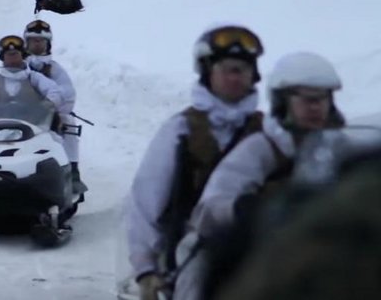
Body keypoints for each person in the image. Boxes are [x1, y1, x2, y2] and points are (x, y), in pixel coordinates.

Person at [174, 52, 346, 300]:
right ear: (282, 101)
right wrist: (248, 209)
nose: (316, 107)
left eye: (322, 99)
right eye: (307, 100)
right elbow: (212, 205)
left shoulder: (342, 150)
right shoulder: (263, 148)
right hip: (254, 255)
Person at [125, 24, 265, 300]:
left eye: (243, 69)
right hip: (192, 265)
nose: (236, 78)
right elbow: (145, 203)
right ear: (207, 72)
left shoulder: (267, 132)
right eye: (228, 69)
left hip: (260, 262)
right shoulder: (180, 131)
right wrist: (145, 270)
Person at [23, 20, 82, 193]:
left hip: (46, 115)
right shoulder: (18, 66)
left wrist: (51, 105)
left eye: (41, 40)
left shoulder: (54, 69)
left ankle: (72, 170)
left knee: (67, 122)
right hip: (19, 113)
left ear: (48, 43)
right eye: (33, 39)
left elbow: (68, 93)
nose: (37, 43)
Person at [0, 35, 67, 125]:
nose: (13, 58)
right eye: (9, 55)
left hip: (35, 130)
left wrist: (48, 103)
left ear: (22, 56)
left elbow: (55, 92)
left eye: (15, 54)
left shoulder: (35, 78)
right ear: (3, 58)